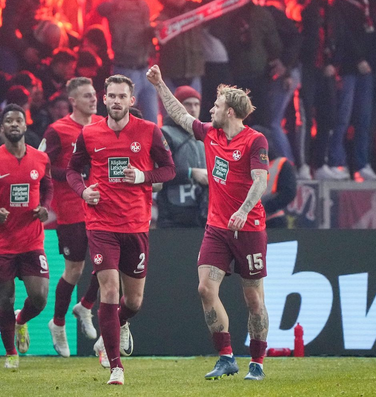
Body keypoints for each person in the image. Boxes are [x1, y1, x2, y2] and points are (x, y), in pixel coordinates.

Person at [148, 65, 270, 381]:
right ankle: (226, 357)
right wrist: (161, 84)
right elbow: (179, 116)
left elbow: (261, 181)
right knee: (205, 288)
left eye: (215, 107)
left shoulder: (255, 141)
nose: (209, 111)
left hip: (249, 228)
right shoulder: (210, 133)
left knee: (253, 298)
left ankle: (256, 362)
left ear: (229, 111)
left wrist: (244, 210)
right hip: (216, 227)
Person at [66, 74, 175, 385]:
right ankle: (116, 366)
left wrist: (142, 177)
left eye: (121, 96)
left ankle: (115, 328)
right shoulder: (89, 133)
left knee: (134, 302)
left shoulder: (149, 131)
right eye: (111, 95)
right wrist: (83, 191)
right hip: (101, 223)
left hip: (137, 224)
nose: (115, 101)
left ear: (132, 100)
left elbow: (169, 169)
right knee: (110, 291)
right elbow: (73, 170)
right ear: (104, 98)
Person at [0, 104, 52, 370]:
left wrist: (45, 207)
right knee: (5, 299)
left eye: (19, 120)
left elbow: (48, 185)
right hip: (1, 242)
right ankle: (10, 353)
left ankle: (21, 320)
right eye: (9, 121)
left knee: (39, 298)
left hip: (31, 240)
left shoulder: (40, 159)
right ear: (2, 128)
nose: (14, 124)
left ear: (26, 126)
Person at [41, 77, 104, 356]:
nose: (94, 99)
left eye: (94, 94)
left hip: (103, 206)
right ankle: (57, 323)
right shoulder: (58, 130)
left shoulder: (103, 125)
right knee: (74, 270)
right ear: (73, 101)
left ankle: (86, 306)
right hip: (71, 208)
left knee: (109, 264)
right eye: (87, 96)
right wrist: (71, 174)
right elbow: (41, 165)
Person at [157, 86, 208, 228]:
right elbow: (158, 174)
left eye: (196, 104)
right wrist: (191, 172)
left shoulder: (205, 135)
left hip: (201, 214)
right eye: (187, 104)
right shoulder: (165, 134)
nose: (193, 108)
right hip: (172, 216)